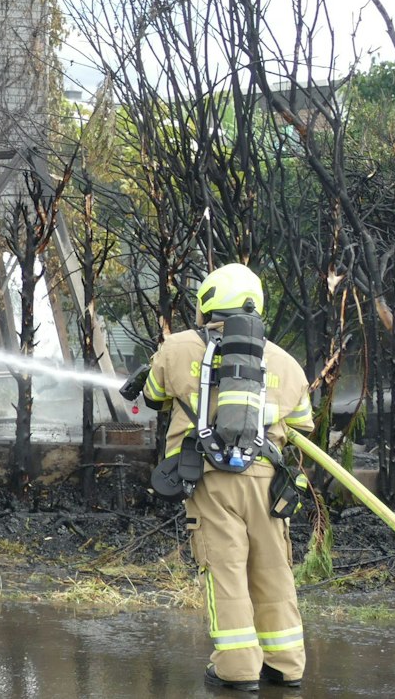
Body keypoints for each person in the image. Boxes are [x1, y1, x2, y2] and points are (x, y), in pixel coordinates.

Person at [139, 263, 315, 691]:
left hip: (208, 480)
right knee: (273, 569)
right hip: (268, 482)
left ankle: (236, 670)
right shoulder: (286, 363)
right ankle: (286, 664)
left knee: (225, 569)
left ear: (207, 304)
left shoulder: (178, 347)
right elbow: (303, 424)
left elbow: (152, 396)